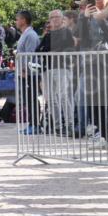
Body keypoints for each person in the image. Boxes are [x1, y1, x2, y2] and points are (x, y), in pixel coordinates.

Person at [37, 9, 77, 137]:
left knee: (64, 96)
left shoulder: (66, 32)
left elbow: (71, 49)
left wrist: (54, 52)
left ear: (62, 18)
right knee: (51, 99)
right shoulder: (48, 34)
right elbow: (38, 50)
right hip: (47, 69)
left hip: (62, 68)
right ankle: (58, 126)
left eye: (56, 17)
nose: (54, 19)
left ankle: (70, 125)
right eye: (52, 17)